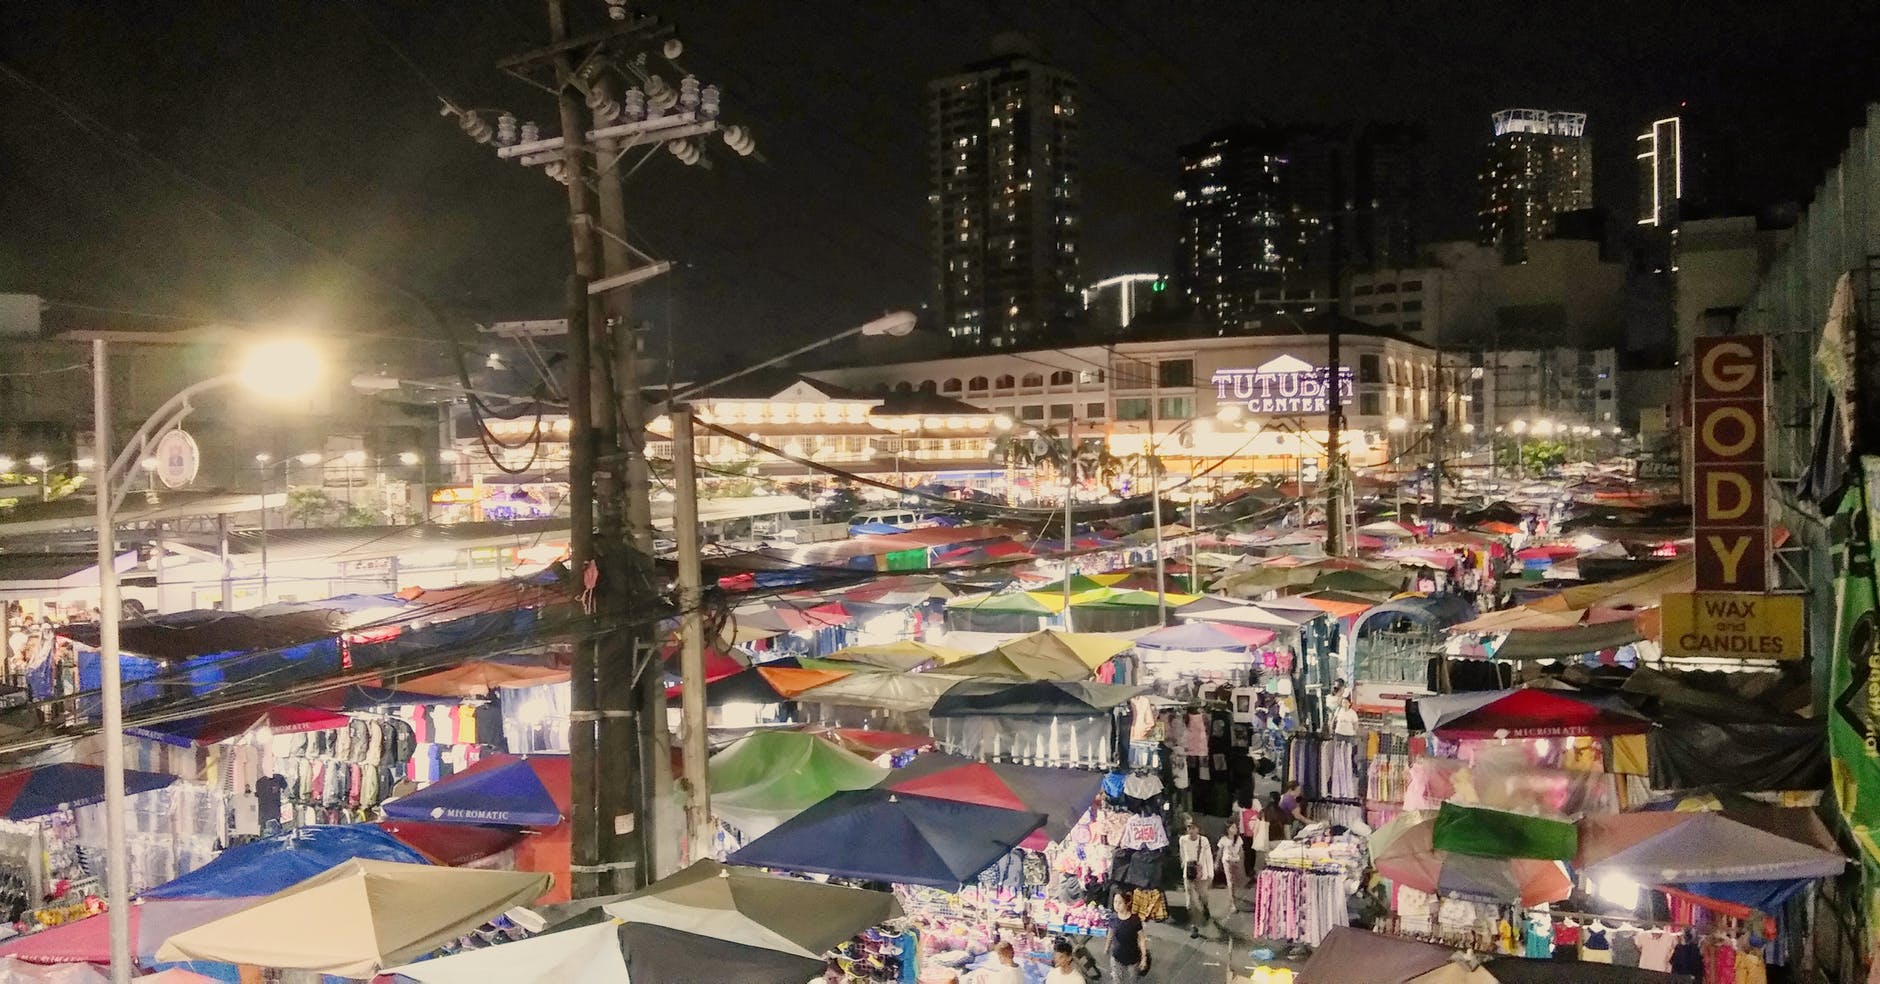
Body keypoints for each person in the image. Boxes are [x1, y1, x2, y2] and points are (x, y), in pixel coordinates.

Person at [1177, 816, 1216, 938]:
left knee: (1203, 896)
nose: (1191, 830)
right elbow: (1182, 855)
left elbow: (1209, 857)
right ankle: (1194, 925)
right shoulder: (1183, 840)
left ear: (1198, 829)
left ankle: (1205, 907)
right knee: (1190, 902)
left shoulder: (1203, 841)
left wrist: (1210, 874)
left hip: (1201, 874)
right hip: (1188, 875)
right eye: (1189, 827)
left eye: (1193, 827)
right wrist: (1184, 866)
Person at [1108, 891, 1148, 983]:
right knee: (1117, 980)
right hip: (1117, 956)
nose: (1117, 905)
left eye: (1120, 902)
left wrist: (1144, 957)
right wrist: (1107, 947)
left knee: (1132, 980)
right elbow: (1110, 933)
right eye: (1115, 902)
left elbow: (1142, 939)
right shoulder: (1113, 918)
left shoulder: (1135, 920)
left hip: (1132, 957)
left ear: (1127, 903)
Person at [1218, 821, 1249, 912]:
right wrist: (1217, 862)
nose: (1235, 829)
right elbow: (1220, 852)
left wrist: (1240, 861)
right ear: (1227, 829)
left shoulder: (1238, 839)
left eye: (1236, 827)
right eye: (1233, 827)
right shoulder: (1223, 839)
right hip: (1227, 861)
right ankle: (1233, 904)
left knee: (1238, 882)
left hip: (1237, 862)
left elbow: (1241, 851)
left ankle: (1234, 896)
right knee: (1230, 882)